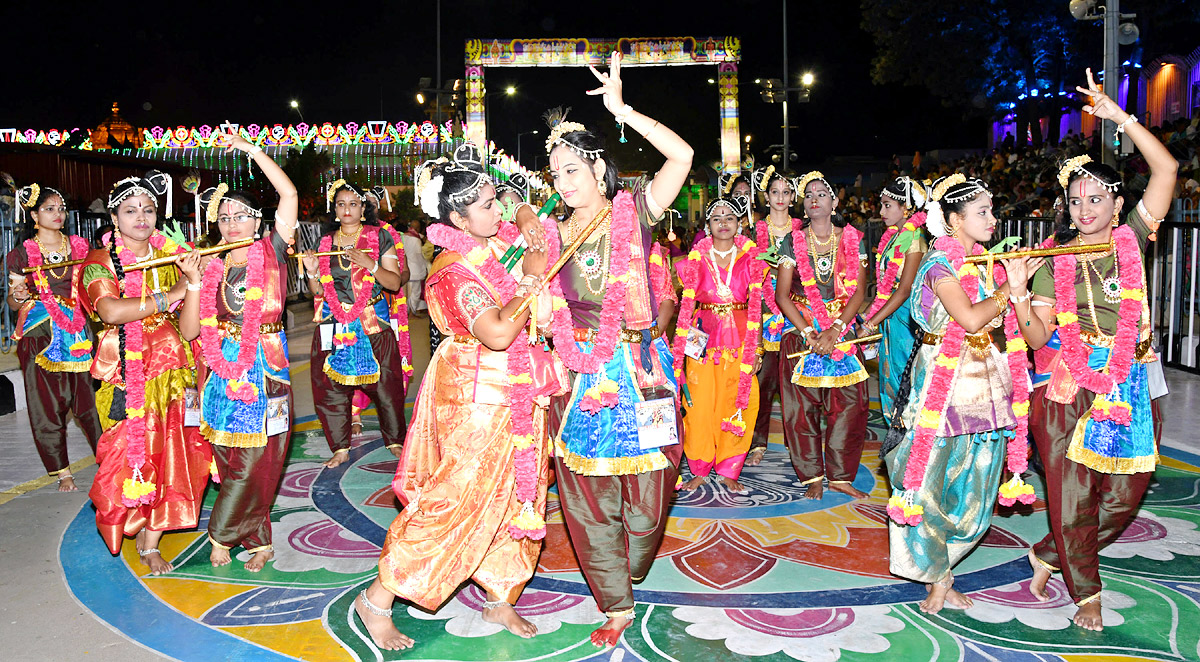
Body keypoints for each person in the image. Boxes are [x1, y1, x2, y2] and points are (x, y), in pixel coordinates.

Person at [352, 144, 563, 651]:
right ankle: (378, 600)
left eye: (496, 201)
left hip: (518, 391)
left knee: (518, 497)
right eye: (488, 205)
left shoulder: (492, 244)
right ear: (456, 219)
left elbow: (522, 207)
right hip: (473, 396)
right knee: (455, 499)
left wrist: (526, 211)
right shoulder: (451, 271)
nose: (500, 210)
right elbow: (494, 332)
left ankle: (498, 595)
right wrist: (531, 282)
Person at [514, 51, 693, 648]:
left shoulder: (636, 212)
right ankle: (615, 600)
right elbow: (532, 287)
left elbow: (683, 156)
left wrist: (622, 109)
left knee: (651, 493)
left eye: (570, 169)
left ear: (597, 166)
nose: (561, 183)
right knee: (586, 494)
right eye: (553, 174)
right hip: (583, 373)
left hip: (642, 368)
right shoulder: (551, 236)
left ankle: (631, 565)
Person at [1008, 69, 1176, 632]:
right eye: (1075, 200)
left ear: (1117, 201)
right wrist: (1017, 293)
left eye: (1095, 198)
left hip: (1132, 380)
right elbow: (1036, 341)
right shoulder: (1055, 257)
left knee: (1125, 493)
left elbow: (1168, 169)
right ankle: (1086, 593)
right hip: (1067, 386)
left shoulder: (1132, 233)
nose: (1084, 208)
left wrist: (1120, 118)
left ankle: (1052, 555)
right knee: (1074, 497)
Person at [883, 174, 1036, 614]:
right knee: (927, 489)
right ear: (953, 221)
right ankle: (937, 577)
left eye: (991, 211)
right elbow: (969, 319)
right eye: (981, 213)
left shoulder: (988, 264)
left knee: (979, 493)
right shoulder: (938, 266)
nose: (992, 219)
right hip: (938, 392)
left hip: (986, 392)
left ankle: (944, 564)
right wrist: (1011, 288)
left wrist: (1021, 282)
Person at [178, 133, 299, 571]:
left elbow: (289, 193)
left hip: (267, 367)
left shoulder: (273, 251)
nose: (232, 224)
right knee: (231, 462)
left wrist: (251, 152)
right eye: (224, 217)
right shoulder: (208, 264)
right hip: (219, 373)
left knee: (260, 459)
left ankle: (221, 533)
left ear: (258, 222)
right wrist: (192, 282)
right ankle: (259, 539)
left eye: (241, 216)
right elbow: (191, 330)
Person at [79, 171, 210, 575]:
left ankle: (151, 542)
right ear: (114, 217)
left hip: (179, 371)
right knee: (130, 458)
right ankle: (128, 521)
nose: (141, 217)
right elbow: (112, 311)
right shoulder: (100, 262)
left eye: (149, 209)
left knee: (179, 456)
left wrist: (191, 284)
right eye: (131, 210)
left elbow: (190, 327)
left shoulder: (172, 255)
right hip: (129, 376)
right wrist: (167, 295)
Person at [774, 171, 869, 500]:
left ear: (835, 202)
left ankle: (841, 476)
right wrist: (809, 330)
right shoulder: (791, 240)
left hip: (841, 328)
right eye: (809, 195)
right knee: (801, 409)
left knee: (851, 405)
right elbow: (782, 295)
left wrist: (837, 327)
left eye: (822, 194)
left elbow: (859, 291)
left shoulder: (853, 238)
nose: (815, 199)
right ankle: (812, 475)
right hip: (802, 329)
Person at [302, 181, 407, 468]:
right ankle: (340, 447)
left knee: (387, 383)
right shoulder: (325, 243)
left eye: (353, 204)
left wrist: (370, 264)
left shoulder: (379, 237)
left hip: (373, 320)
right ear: (334, 211)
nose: (346, 209)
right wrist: (312, 273)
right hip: (335, 323)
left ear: (363, 209)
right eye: (341, 204)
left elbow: (395, 282)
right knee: (330, 387)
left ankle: (395, 440)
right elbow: (319, 292)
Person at [5, 184, 103, 492]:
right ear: (34, 215)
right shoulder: (20, 254)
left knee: (89, 402)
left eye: (61, 208)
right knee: (46, 403)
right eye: (50, 209)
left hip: (78, 332)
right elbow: (12, 301)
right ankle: (63, 472)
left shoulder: (81, 247)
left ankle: (106, 461)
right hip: (40, 334)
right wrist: (18, 295)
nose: (58, 214)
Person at [674, 197, 767, 493]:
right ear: (708, 226)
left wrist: (758, 348)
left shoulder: (753, 260)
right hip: (701, 339)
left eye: (730, 217)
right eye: (717, 218)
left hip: (742, 339)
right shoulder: (693, 261)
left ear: (739, 224)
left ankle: (729, 468)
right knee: (698, 404)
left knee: (739, 402)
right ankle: (700, 468)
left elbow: (757, 306)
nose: (724, 222)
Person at [860, 177, 927, 423]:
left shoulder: (915, 238)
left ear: (906, 208)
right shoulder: (892, 236)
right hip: (891, 313)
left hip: (907, 316)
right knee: (889, 373)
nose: (881, 211)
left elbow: (905, 289)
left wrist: (871, 321)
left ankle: (907, 436)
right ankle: (894, 432)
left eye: (888, 205)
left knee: (904, 373)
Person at [746, 168, 799, 466]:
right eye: (775, 192)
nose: (780, 198)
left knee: (796, 385)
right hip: (763, 315)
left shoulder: (802, 231)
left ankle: (800, 445)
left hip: (796, 314)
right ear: (766, 197)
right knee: (763, 383)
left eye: (786, 192)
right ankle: (758, 442)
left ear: (793, 197)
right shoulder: (754, 233)